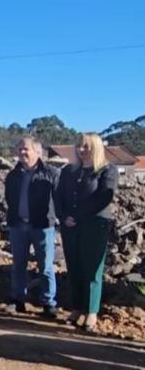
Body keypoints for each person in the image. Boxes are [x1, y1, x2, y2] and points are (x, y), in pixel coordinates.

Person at [57, 133, 118, 332]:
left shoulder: (107, 170)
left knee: (91, 269)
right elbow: (58, 197)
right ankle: (77, 308)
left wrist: (79, 216)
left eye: (87, 146)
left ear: (96, 148)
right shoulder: (68, 171)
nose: (82, 150)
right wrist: (64, 216)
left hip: (94, 225)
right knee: (74, 267)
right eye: (79, 146)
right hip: (70, 226)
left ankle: (91, 311)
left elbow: (103, 197)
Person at [4, 136, 61, 318]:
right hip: (18, 225)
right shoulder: (13, 175)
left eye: (26, 149)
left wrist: (57, 220)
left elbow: (59, 199)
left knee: (45, 266)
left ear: (38, 152)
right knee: (18, 265)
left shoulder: (51, 173)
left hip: (43, 226)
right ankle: (18, 300)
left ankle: (48, 303)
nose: (22, 152)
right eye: (20, 149)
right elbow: (9, 198)